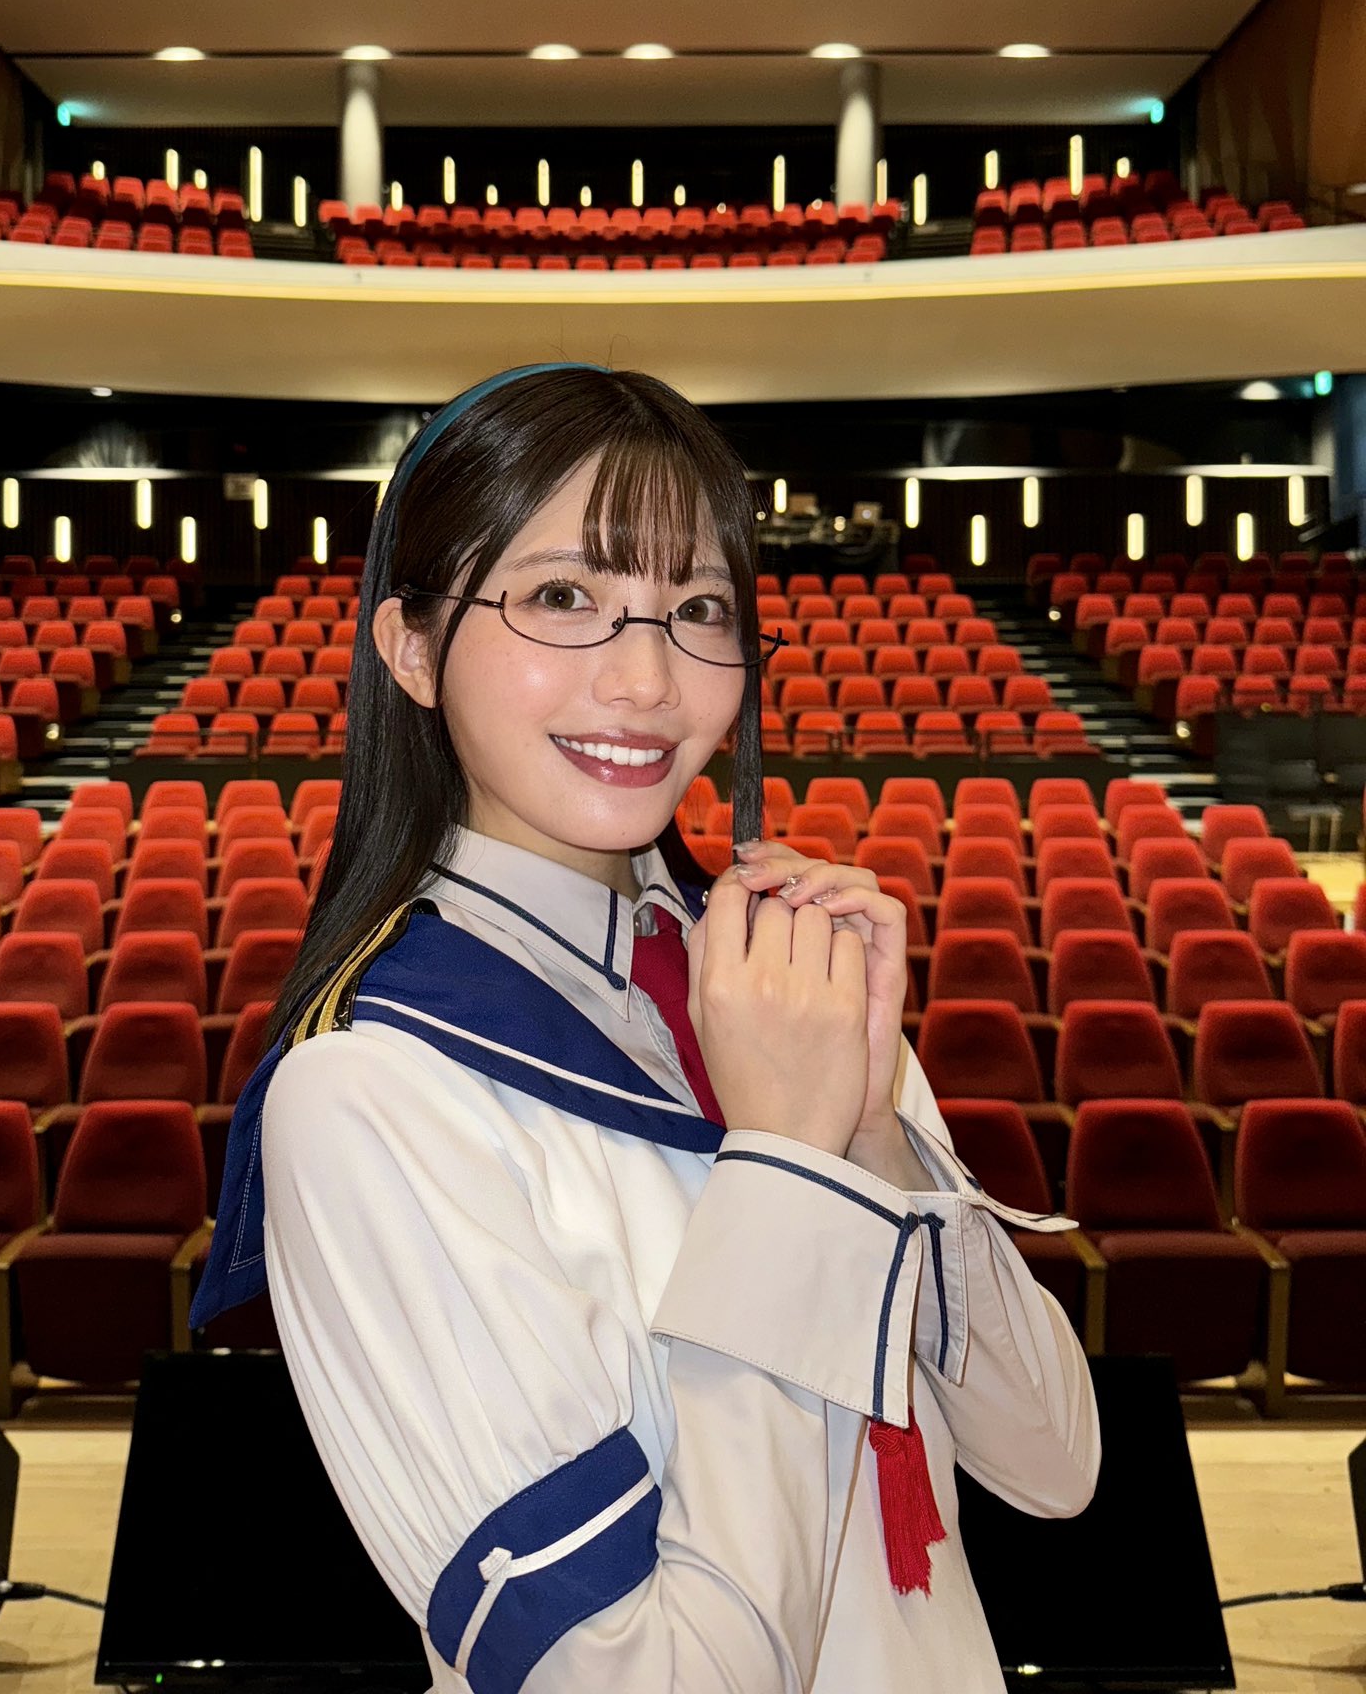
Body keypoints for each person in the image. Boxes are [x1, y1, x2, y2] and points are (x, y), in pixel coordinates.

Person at [190, 361, 1100, 1693]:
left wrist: (868, 1131)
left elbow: (1055, 1464)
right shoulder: (371, 1095)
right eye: (564, 597)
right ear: (413, 648)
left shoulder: (777, 984)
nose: (648, 680)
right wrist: (790, 1165)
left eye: (699, 609)